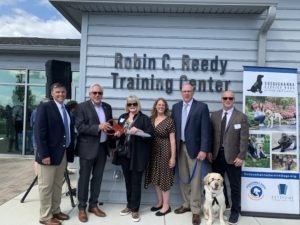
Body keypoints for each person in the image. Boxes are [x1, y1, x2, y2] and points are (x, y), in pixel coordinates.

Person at [34, 83, 75, 225]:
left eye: (63, 92)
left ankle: (56, 210)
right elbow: (39, 132)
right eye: (57, 92)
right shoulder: (45, 107)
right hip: (48, 155)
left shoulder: (66, 109)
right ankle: (45, 216)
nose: (61, 94)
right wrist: (44, 154)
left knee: (58, 184)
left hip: (62, 153)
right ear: (52, 93)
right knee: (46, 186)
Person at [171, 83, 210, 225]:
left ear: (193, 92)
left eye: (189, 91)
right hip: (180, 147)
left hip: (196, 149)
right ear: (181, 92)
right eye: (184, 91)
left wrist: (204, 149)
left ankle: (195, 210)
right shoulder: (176, 107)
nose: (186, 93)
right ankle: (186, 204)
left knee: (195, 180)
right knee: (183, 178)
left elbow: (206, 130)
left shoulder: (201, 107)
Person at [74, 84, 114, 223]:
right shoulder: (81, 107)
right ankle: (81, 208)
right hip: (87, 149)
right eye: (94, 93)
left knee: (98, 178)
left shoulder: (107, 107)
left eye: (100, 93)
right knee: (84, 178)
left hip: (103, 148)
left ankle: (93, 205)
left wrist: (115, 133)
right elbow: (79, 127)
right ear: (90, 94)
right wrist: (98, 127)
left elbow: (110, 127)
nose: (97, 95)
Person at [208, 90, 249, 225]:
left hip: (233, 158)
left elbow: (244, 139)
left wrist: (241, 156)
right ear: (221, 99)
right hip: (216, 156)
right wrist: (209, 152)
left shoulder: (241, 117)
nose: (228, 100)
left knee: (235, 185)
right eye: (225, 98)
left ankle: (235, 211)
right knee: (219, 184)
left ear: (234, 100)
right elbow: (211, 136)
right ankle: (223, 207)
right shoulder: (214, 115)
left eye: (230, 98)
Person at [114, 95, 153, 222]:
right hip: (124, 154)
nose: (132, 107)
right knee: (128, 181)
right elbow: (116, 136)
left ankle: (135, 209)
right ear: (127, 105)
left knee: (136, 182)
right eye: (130, 104)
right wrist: (117, 134)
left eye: (134, 104)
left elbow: (150, 137)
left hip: (138, 155)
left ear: (138, 105)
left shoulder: (144, 119)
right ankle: (129, 205)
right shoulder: (122, 117)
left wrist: (139, 131)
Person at [144, 98, 176, 216]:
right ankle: (160, 202)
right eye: (159, 104)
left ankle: (166, 206)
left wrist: (173, 157)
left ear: (165, 107)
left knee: (164, 178)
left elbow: (172, 140)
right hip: (152, 151)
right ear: (155, 106)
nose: (161, 106)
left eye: (163, 105)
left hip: (165, 151)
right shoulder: (151, 119)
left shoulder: (169, 121)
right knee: (155, 177)